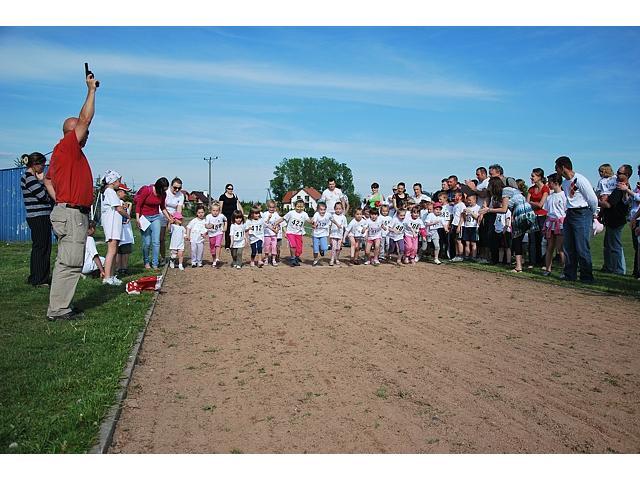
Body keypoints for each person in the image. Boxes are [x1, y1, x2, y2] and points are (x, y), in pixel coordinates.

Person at [45, 70, 98, 321]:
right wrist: (91, 90)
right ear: (73, 131)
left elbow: (47, 180)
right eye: (83, 131)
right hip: (71, 213)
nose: (87, 134)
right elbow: (85, 119)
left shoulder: (65, 154)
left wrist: (61, 199)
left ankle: (61, 306)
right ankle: (58, 310)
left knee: (69, 260)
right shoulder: (68, 146)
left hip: (71, 211)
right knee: (69, 262)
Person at [480, 177, 539, 273]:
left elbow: (504, 209)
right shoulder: (509, 190)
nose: (489, 189)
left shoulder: (505, 191)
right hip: (528, 212)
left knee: (517, 240)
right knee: (521, 240)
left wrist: (488, 210)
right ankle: (520, 265)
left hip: (521, 213)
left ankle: (519, 266)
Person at [554, 156, 598, 283]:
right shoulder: (565, 183)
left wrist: (593, 213)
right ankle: (570, 274)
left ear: (563, 167)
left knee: (582, 246)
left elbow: (592, 198)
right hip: (570, 213)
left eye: (557, 168)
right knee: (569, 246)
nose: (556, 170)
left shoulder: (580, 180)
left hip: (582, 213)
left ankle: (586, 276)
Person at [20, 152, 53, 287]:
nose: (43, 167)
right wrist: (44, 182)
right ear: (35, 164)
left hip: (38, 216)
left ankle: (38, 276)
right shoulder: (29, 178)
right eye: (42, 165)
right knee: (42, 248)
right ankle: (39, 279)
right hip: (39, 217)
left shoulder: (29, 178)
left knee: (41, 247)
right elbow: (43, 196)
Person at [600, 164, 632, 275]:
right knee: (608, 245)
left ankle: (619, 269)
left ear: (626, 175)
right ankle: (608, 267)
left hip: (616, 220)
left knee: (615, 246)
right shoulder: (617, 186)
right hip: (611, 220)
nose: (616, 175)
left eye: (619, 173)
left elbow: (609, 204)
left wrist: (599, 201)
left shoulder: (622, 188)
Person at [134, 178, 173, 269]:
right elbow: (139, 205)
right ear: (158, 187)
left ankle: (155, 263)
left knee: (156, 242)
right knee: (147, 243)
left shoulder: (163, 194)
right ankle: (146, 262)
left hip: (156, 217)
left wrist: (169, 218)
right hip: (144, 218)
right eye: (163, 190)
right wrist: (137, 219)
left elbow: (162, 207)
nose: (164, 192)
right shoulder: (147, 190)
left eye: (165, 190)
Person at [100, 170, 130, 286]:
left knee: (114, 250)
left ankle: (112, 275)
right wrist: (127, 215)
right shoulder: (110, 192)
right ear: (113, 182)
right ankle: (107, 277)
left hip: (115, 225)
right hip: (111, 225)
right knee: (111, 251)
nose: (119, 184)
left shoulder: (111, 192)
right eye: (118, 181)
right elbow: (119, 208)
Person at [542, 173, 566, 276]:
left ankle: (564, 270)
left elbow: (565, 210)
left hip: (560, 223)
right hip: (550, 222)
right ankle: (548, 269)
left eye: (550, 182)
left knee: (560, 248)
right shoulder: (549, 197)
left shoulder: (564, 195)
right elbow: (547, 210)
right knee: (550, 247)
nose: (548, 184)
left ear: (556, 183)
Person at [526, 168, 550, 268]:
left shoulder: (545, 188)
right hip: (532, 216)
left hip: (542, 217)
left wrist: (531, 202)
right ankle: (532, 261)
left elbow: (541, 204)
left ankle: (543, 262)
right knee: (532, 239)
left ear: (539, 177)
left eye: (533, 176)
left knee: (541, 240)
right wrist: (534, 203)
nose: (531, 178)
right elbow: (527, 203)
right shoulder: (531, 189)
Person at [276, 199, 311, 267]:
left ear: (304, 207)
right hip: (290, 233)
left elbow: (308, 220)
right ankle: (293, 258)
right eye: (298, 207)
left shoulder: (304, 214)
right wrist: (276, 222)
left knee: (299, 249)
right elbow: (283, 218)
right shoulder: (291, 213)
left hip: (299, 234)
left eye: (301, 207)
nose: (299, 208)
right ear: (294, 206)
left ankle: (296, 257)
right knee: (293, 245)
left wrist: (313, 222)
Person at [621, 164, 640, 279]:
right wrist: (625, 192)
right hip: (634, 218)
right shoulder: (637, 187)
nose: (638, 174)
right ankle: (636, 271)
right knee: (636, 247)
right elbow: (627, 202)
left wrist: (627, 190)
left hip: (638, 218)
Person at [159, 177, 185, 262]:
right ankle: (163, 257)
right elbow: (163, 206)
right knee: (161, 238)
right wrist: (169, 217)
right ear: (171, 186)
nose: (177, 190)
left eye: (179, 188)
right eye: (175, 187)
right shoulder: (166, 193)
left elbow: (179, 209)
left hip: (174, 216)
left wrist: (177, 219)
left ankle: (172, 257)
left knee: (175, 237)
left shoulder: (181, 195)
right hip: (163, 214)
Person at [115, 184, 134, 275]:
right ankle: (123, 268)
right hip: (124, 231)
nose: (125, 194)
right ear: (119, 192)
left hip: (119, 231)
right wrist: (128, 216)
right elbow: (126, 215)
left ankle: (119, 268)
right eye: (124, 192)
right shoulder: (120, 203)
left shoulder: (119, 202)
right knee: (124, 251)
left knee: (119, 251)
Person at [219, 184, 243, 249]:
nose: (230, 190)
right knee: (228, 230)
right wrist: (220, 215)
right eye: (229, 188)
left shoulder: (234, 196)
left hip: (234, 215)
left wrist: (241, 212)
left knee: (235, 229)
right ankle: (227, 245)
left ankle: (235, 243)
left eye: (232, 189)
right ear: (226, 189)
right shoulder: (222, 197)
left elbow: (238, 204)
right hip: (226, 215)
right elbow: (221, 207)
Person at [205, 202, 227, 268]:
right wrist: (209, 226)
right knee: (212, 250)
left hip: (219, 233)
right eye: (213, 210)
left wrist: (225, 227)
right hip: (211, 234)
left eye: (217, 211)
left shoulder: (221, 216)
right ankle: (214, 260)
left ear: (219, 211)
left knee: (218, 244)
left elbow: (225, 220)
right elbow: (206, 225)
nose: (215, 212)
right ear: (211, 210)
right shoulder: (208, 216)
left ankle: (217, 258)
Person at [462, 193, 482, 261]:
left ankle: (474, 257)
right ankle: (467, 256)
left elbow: (478, 218)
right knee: (467, 243)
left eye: (470, 200)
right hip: (467, 226)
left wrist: (471, 212)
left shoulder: (478, 207)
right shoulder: (467, 208)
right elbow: (465, 219)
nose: (468, 201)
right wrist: (464, 214)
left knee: (473, 243)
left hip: (474, 227)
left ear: (475, 200)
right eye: (468, 200)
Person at [262, 200, 282, 266]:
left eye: (273, 207)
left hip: (274, 235)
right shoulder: (265, 214)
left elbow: (279, 222)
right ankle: (266, 259)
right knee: (267, 247)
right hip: (267, 234)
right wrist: (268, 218)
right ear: (268, 207)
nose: (271, 209)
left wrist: (277, 229)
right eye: (270, 207)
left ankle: (273, 260)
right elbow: (264, 224)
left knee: (274, 247)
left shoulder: (276, 214)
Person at [329, 201, 348, 266]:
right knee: (334, 247)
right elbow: (329, 225)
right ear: (334, 209)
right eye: (337, 209)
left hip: (340, 235)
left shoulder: (343, 217)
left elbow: (345, 227)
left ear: (342, 209)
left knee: (338, 248)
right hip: (333, 235)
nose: (338, 210)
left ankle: (337, 258)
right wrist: (329, 235)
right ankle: (332, 259)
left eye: (340, 209)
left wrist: (345, 236)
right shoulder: (332, 216)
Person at [449, 190, 466, 262]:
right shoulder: (455, 205)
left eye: (455, 196)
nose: (454, 197)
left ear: (460, 196)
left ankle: (460, 255)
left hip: (459, 225)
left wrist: (459, 226)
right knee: (455, 240)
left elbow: (462, 216)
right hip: (454, 224)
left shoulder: (462, 205)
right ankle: (456, 255)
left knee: (459, 241)